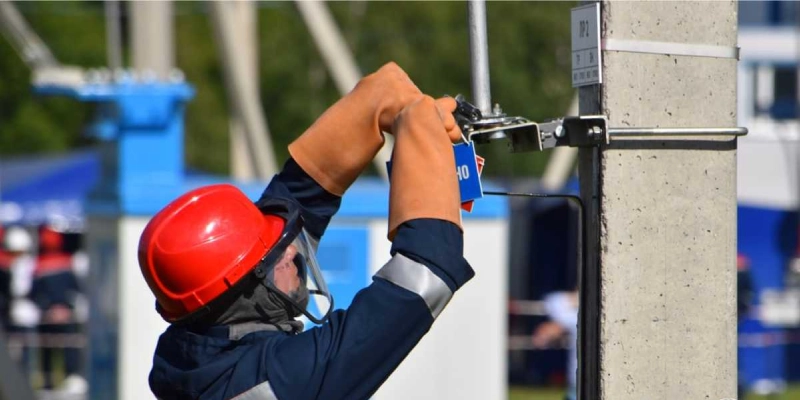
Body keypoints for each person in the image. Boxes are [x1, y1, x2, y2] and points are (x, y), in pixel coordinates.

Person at [139, 62, 473, 399]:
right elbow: (426, 274)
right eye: (275, 258)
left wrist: (375, 102)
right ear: (246, 295)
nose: (292, 250)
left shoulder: (190, 349)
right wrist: (424, 140)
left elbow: (291, 206)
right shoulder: (283, 381)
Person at [31, 225, 87, 394]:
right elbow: (34, 293)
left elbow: (75, 290)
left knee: (68, 348)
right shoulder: (41, 264)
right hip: (50, 316)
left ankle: (68, 378)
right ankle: (50, 383)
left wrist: (62, 308)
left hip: (62, 315)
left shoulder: (62, 262)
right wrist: (52, 308)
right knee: (48, 349)